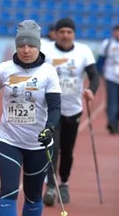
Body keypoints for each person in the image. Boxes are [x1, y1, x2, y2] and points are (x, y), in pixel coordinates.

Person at [0, 20, 61, 216]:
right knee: (9, 190)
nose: (26, 50)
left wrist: (50, 129)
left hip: (37, 143)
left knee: (34, 196)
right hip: (8, 141)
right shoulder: (4, 69)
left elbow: (56, 107)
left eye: (31, 45)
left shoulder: (48, 71)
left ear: (38, 47)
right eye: (22, 45)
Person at [40, 17, 99, 206]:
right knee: (52, 147)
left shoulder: (83, 51)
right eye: (62, 32)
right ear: (55, 34)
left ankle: (63, 182)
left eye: (69, 32)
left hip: (73, 109)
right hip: (50, 109)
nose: (65, 35)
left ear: (74, 34)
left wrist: (91, 90)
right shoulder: (46, 50)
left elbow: (94, 75)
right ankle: (50, 185)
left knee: (68, 151)